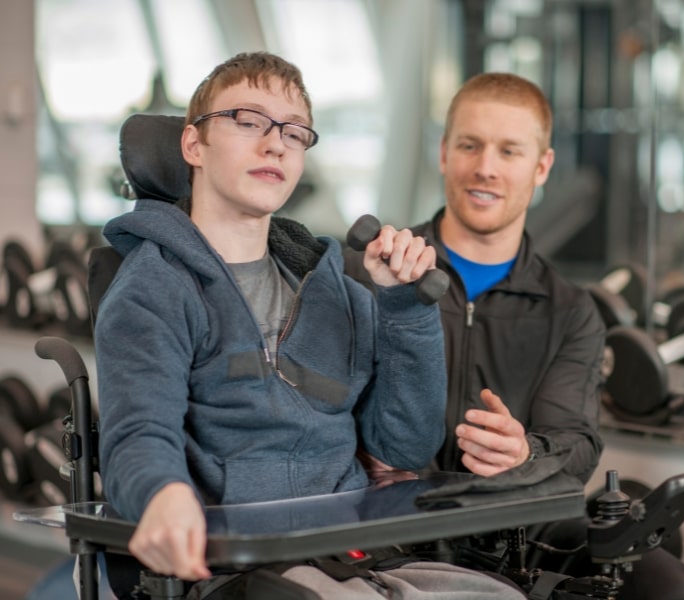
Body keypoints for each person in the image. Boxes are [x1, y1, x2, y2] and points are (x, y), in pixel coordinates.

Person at [94, 52, 528, 599]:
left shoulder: (339, 292)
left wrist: (403, 308)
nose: (275, 142)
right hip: (239, 567)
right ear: (193, 145)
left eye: (294, 133)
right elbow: (138, 433)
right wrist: (163, 496)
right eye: (248, 121)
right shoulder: (154, 287)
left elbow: (405, 444)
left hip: (353, 557)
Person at [343, 72, 606, 578]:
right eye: (470, 145)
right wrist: (355, 453)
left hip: (507, 541)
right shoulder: (365, 272)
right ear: (444, 152)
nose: (485, 168)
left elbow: (577, 441)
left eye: (509, 151)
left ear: (542, 166)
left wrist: (526, 451)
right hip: (376, 536)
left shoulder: (570, 311)